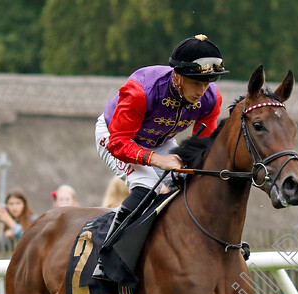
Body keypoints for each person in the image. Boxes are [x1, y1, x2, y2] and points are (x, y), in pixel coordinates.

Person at [92, 34, 229, 280]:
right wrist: (157, 160)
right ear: (177, 75)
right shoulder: (140, 91)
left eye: (208, 82)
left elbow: (202, 144)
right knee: (146, 186)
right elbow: (119, 143)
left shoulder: (210, 98)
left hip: (160, 141)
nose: (201, 91)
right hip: (116, 136)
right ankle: (107, 259)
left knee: (185, 182)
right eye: (196, 82)